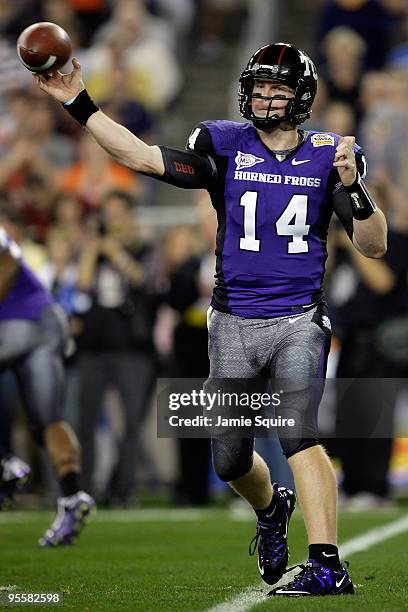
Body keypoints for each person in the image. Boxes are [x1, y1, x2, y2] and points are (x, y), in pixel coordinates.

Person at [35, 41, 386, 596]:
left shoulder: (329, 153)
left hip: (298, 316)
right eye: (260, 86)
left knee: (299, 433)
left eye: (279, 88)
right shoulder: (223, 143)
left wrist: (353, 188)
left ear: (302, 97)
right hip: (231, 321)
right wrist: (79, 102)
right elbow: (142, 157)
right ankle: (272, 509)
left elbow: (373, 246)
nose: (266, 97)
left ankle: (326, 564)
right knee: (229, 460)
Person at [0, 225, 96, 546]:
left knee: (47, 419)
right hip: (46, 322)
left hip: (21, 323)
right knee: (47, 421)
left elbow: (9, 259)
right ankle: (72, 498)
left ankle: (5, 465)